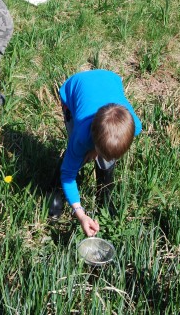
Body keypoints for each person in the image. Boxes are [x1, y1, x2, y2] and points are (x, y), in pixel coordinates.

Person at [49, 69, 142, 237]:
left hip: (107, 80)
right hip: (75, 87)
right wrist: (81, 214)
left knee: (104, 159)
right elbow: (69, 175)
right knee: (77, 157)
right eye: (100, 151)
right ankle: (55, 190)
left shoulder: (135, 126)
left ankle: (104, 196)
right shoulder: (82, 135)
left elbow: (108, 145)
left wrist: (98, 151)